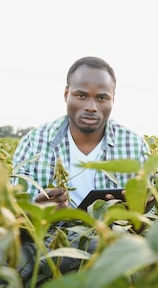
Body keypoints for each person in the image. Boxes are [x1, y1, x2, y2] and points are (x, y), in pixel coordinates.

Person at [10, 56, 150, 276]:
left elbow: (146, 221)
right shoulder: (34, 141)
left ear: (113, 99)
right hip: (45, 242)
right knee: (2, 265)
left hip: (110, 243)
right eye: (81, 95)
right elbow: (13, 210)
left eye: (102, 98)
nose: (91, 107)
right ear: (67, 94)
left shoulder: (133, 144)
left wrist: (137, 215)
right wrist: (35, 212)